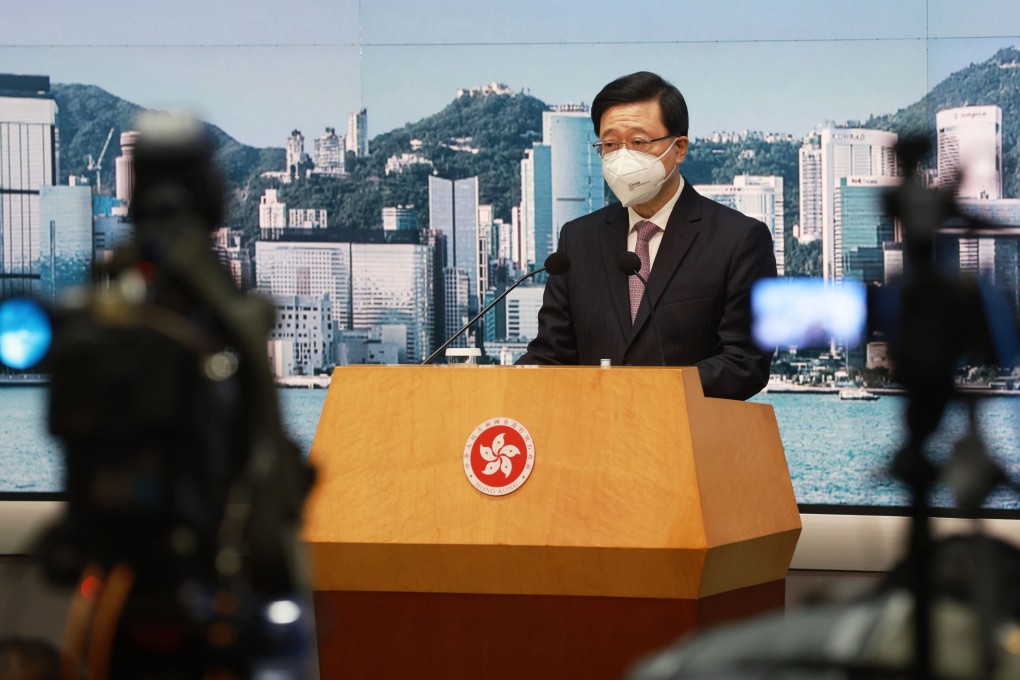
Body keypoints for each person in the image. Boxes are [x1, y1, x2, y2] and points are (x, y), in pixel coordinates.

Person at [518, 71, 776, 400]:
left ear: (679, 148)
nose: (622, 157)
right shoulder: (578, 241)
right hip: (590, 440)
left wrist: (646, 391)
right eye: (610, 145)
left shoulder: (738, 239)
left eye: (638, 142)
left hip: (686, 440)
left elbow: (745, 363)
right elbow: (551, 355)